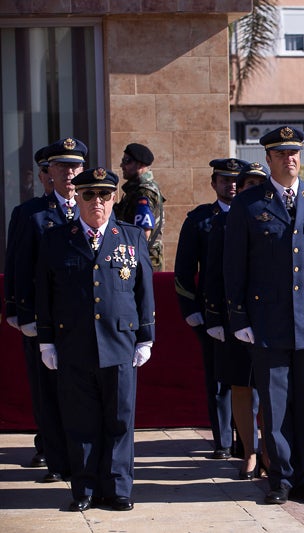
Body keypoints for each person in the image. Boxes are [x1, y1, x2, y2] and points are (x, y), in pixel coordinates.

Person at [224, 126, 304, 505]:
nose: (289, 159)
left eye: (294, 152)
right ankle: (280, 479)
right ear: (269, 160)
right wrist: (239, 318)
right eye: (280, 154)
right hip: (268, 320)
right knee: (275, 407)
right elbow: (234, 266)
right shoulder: (249, 205)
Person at [35, 167, 155, 511]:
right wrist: (46, 340)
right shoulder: (58, 239)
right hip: (74, 344)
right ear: (78, 199)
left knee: (119, 420)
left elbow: (144, 292)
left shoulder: (131, 238)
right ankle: (84, 489)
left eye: (104, 195)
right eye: (88, 195)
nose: (97, 202)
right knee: (80, 420)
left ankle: (117, 489)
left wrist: (146, 337)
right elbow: (45, 293)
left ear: (114, 198)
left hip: (119, 344)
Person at [15, 137, 88, 483]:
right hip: (45, 318)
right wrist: (22, 315)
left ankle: (83, 457)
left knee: (82, 391)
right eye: (61, 166)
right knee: (48, 392)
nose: (69, 173)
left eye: (75, 166)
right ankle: (56, 460)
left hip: (84, 319)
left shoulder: (95, 207)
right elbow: (18, 266)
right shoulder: (31, 214)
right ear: (50, 173)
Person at [174, 158, 247, 459]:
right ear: (213, 183)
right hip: (213, 314)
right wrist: (191, 309)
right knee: (218, 381)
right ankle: (223, 442)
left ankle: (246, 441)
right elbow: (183, 270)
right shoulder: (200, 219)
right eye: (224, 180)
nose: (230, 185)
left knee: (248, 380)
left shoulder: (256, 215)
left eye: (235, 180)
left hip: (249, 314)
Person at [204, 161, 270, 479]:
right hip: (237, 319)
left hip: (273, 319)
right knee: (241, 387)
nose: (253, 190)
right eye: (248, 185)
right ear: (240, 190)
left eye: (260, 184)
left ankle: (271, 452)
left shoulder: (280, 218)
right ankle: (249, 452)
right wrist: (216, 317)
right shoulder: (224, 223)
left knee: (272, 388)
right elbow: (215, 274)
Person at [4, 145, 54, 469]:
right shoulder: (29, 213)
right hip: (39, 313)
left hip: (73, 316)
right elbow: (17, 264)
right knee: (43, 385)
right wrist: (16, 310)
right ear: (42, 176)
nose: (60, 177)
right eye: (51, 171)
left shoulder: (85, 208)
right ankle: (48, 444)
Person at [115, 143, 166, 270]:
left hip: (143, 263)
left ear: (139, 165)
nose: (122, 165)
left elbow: (143, 235)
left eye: (126, 161)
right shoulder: (135, 190)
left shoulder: (144, 192)